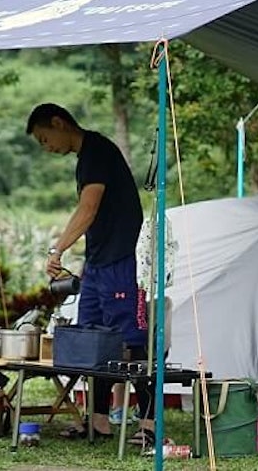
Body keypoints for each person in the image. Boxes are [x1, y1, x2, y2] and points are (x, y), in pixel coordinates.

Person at [27, 103, 157, 445]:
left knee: (132, 341)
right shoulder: (85, 158)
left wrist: (57, 249)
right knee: (93, 340)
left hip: (121, 262)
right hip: (97, 263)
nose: (47, 147)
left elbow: (89, 207)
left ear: (59, 122)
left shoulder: (98, 151)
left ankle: (148, 426)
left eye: (45, 138)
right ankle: (97, 421)